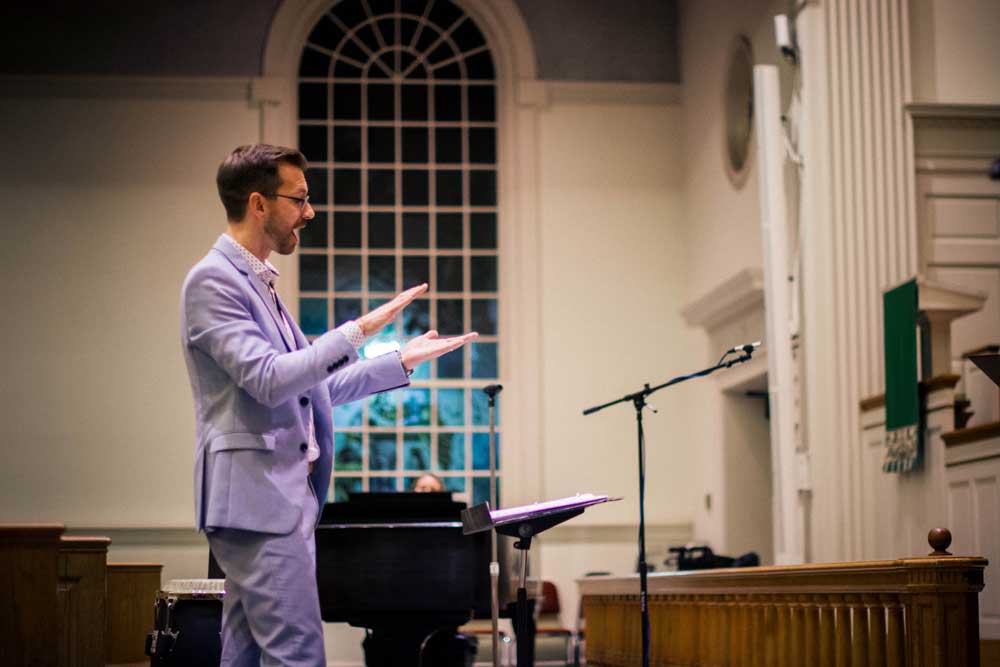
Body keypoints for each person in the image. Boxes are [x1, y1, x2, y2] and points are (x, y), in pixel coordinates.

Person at [180, 143, 477, 666]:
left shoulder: (258, 282)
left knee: (244, 657)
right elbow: (269, 380)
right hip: (259, 502)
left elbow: (311, 390)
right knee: (298, 655)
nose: (310, 212)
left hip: (268, 502)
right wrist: (357, 331)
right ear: (259, 204)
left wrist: (400, 363)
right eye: (300, 199)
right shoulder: (214, 280)